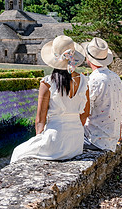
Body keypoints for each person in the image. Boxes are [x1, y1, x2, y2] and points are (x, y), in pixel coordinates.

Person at [10, 35, 90, 163]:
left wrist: (39, 138)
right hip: (76, 143)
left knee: (17, 152)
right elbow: (85, 113)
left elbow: (40, 120)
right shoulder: (84, 81)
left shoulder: (47, 82)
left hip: (55, 141)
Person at [82, 37, 122, 152]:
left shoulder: (94, 79)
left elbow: (84, 111)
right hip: (111, 140)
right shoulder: (116, 77)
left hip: (95, 140)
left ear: (88, 58)